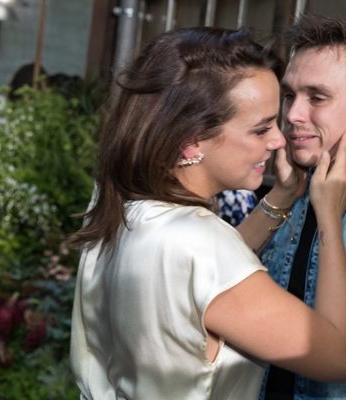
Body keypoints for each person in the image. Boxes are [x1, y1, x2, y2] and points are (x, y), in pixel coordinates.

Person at [69, 27, 346, 400]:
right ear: (190, 141)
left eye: (317, 97)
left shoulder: (118, 207)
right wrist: (328, 219)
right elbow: (336, 356)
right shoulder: (198, 243)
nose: (282, 133)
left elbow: (209, 282)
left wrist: (281, 198)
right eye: (261, 127)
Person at [257, 14, 346, 400]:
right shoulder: (293, 194)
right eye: (290, 95)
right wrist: (281, 197)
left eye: (317, 97)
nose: (292, 114)